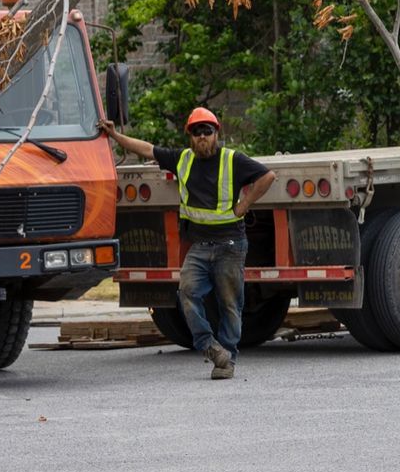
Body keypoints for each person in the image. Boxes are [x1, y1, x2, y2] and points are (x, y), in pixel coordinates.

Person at [101, 107, 273, 380]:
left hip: (231, 243)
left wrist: (245, 204)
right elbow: (147, 149)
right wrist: (114, 135)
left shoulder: (233, 160)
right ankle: (210, 347)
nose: (202, 137)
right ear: (190, 137)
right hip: (201, 245)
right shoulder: (182, 159)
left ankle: (227, 360)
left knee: (230, 304)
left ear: (217, 133)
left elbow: (267, 176)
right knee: (186, 293)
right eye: (196, 132)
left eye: (207, 131)